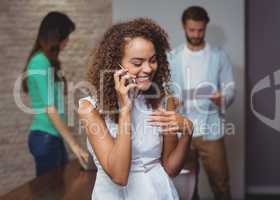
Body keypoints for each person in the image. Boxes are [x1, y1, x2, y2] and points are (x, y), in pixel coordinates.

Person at [78, 18, 194, 200]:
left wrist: (188, 131)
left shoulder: (163, 101)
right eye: (138, 63)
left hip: (160, 192)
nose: (148, 69)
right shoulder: (90, 108)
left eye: (153, 60)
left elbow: (171, 168)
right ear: (115, 66)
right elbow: (119, 175)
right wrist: (125, 109)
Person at [168, 6, 236, 200]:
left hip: (211, 128)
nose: (196, 34)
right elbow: (167, 90)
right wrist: (172, 100)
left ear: (205, 27)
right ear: (184, 27)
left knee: (221, 183)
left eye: (200, 30)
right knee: (186, 188)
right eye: (192, 30)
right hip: (182, 131)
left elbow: (230, 88)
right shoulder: (172, 57)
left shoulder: (219, 56)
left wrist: (222, 97)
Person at [22, 11, 88, 176]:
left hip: (52, 136)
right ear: (55, 37)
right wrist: (74, 145)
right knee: (51, 191)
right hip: (45, 136)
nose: (67, 41)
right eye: (66, 37)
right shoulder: (39, 62)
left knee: (59, 188)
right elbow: (50, 108)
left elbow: (63, 93)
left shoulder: (49, 61)